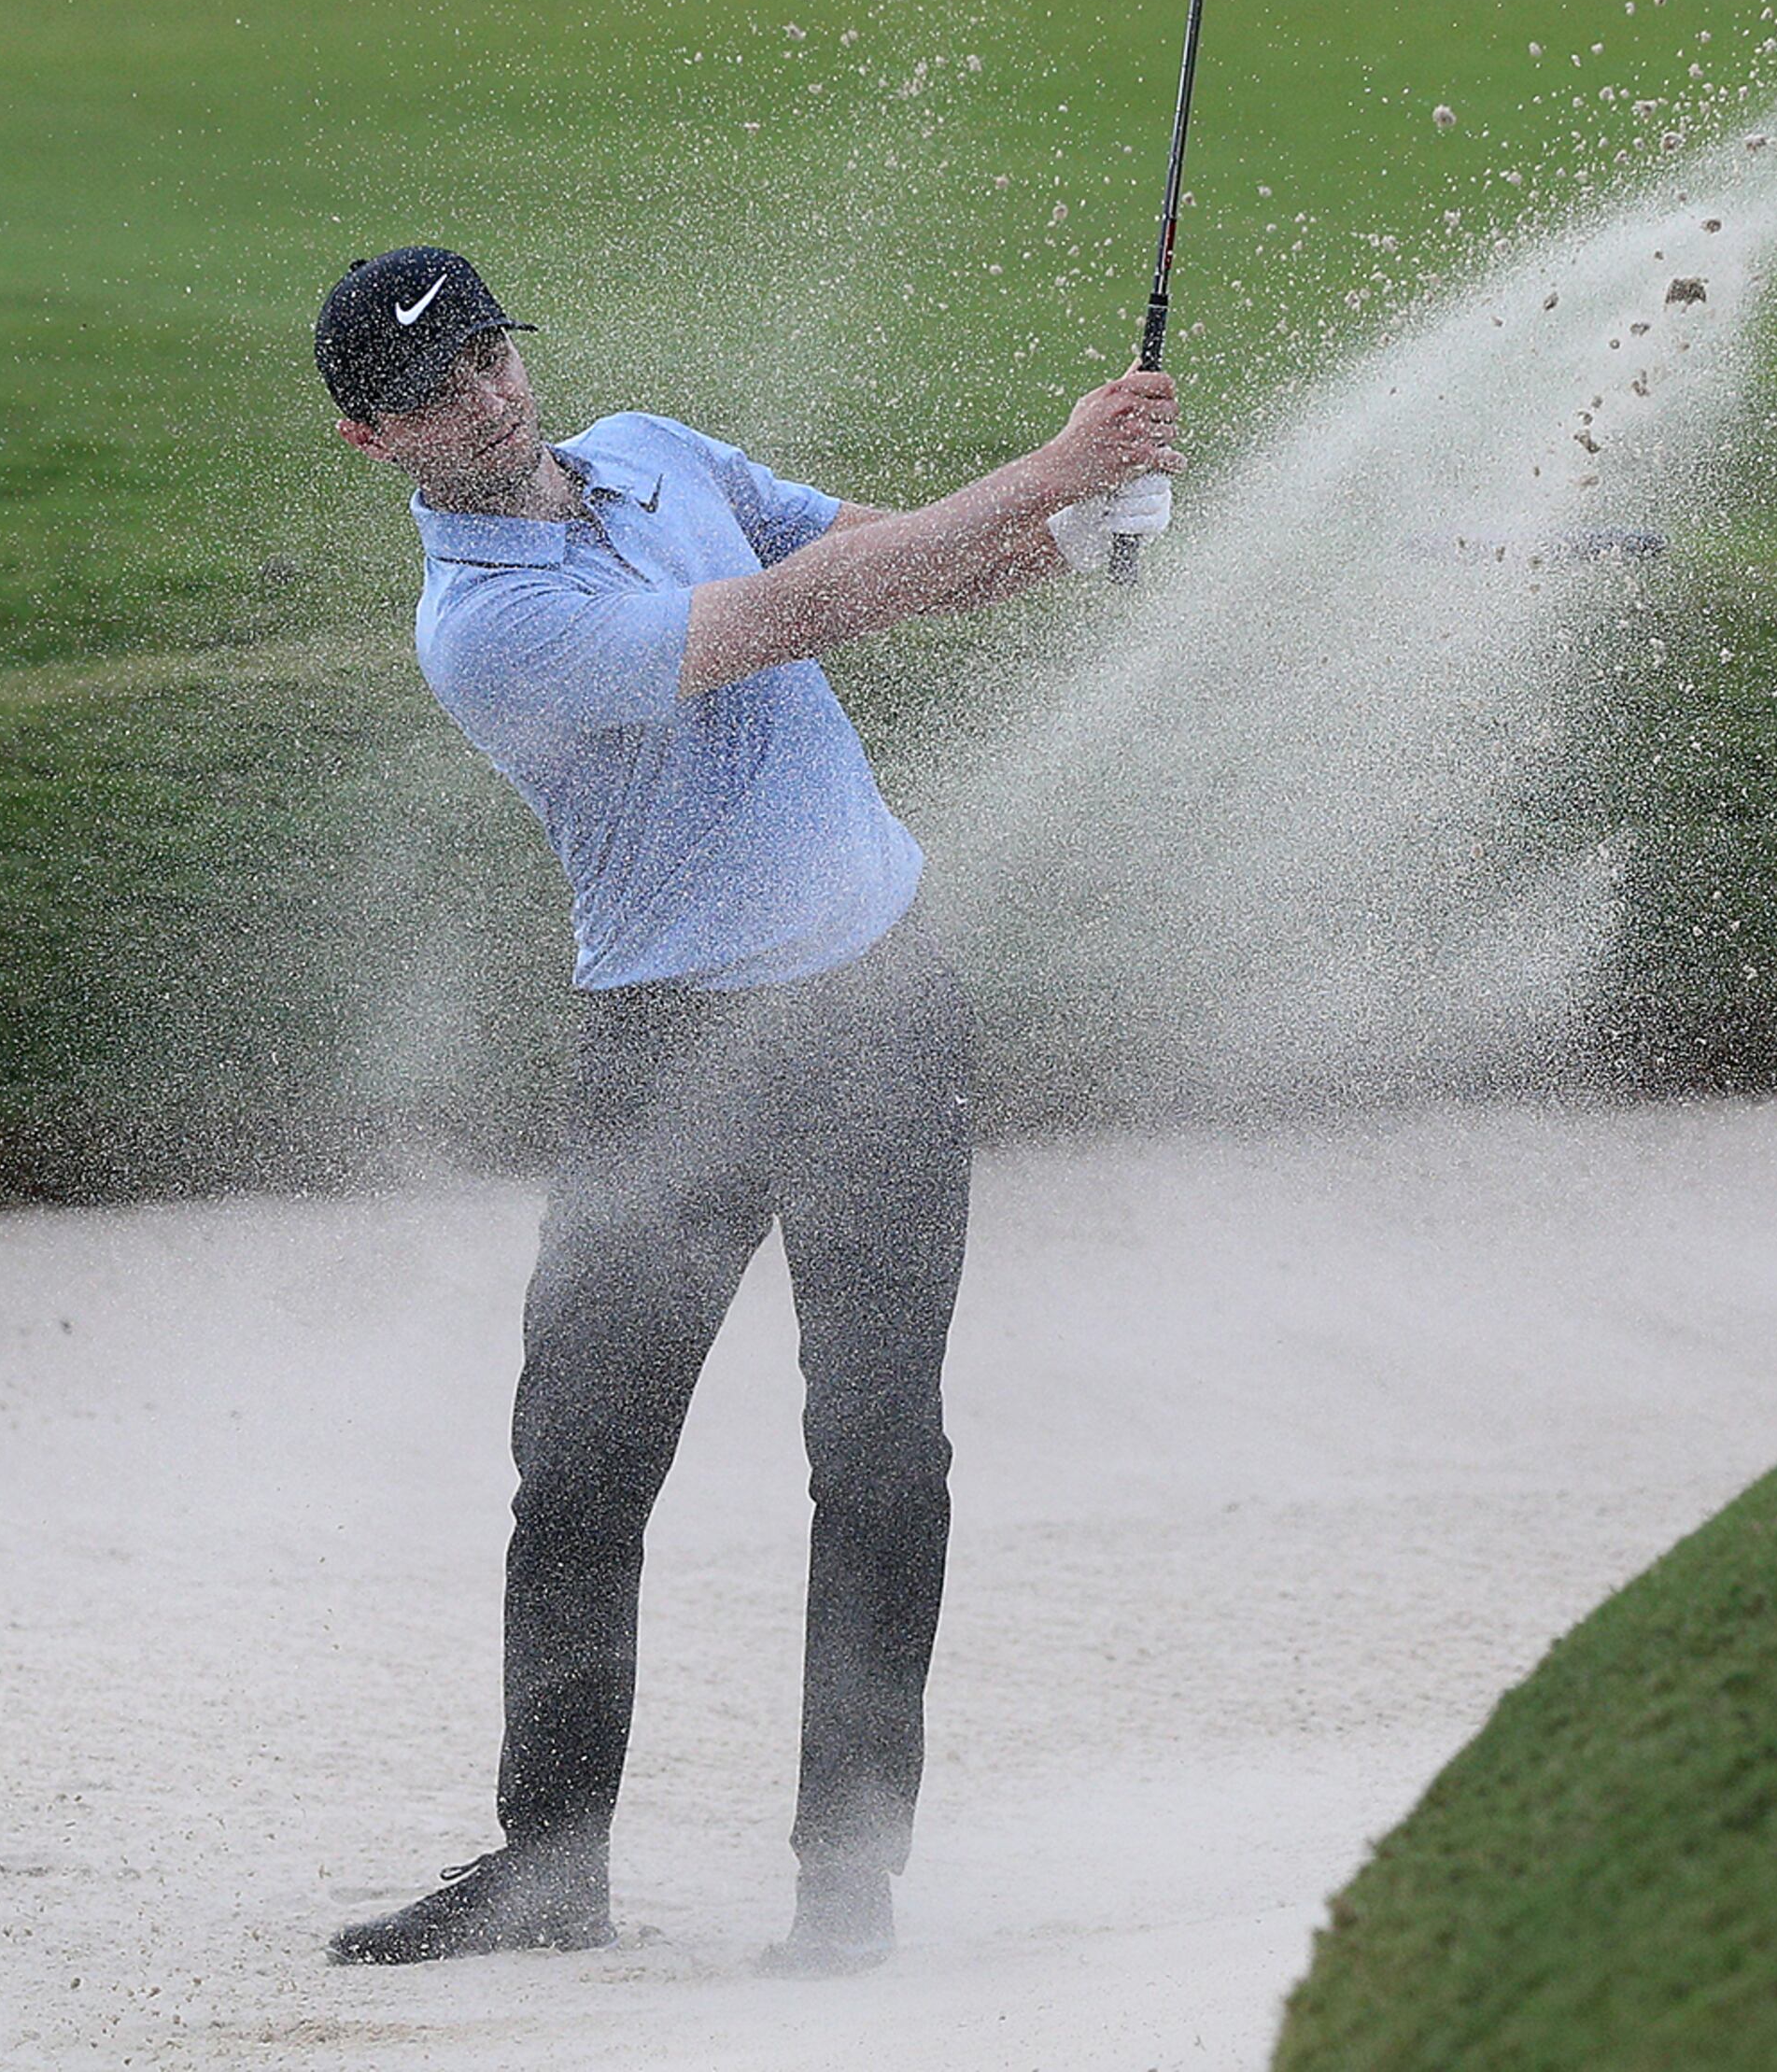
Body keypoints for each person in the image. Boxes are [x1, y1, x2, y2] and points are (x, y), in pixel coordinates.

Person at [307, 245, 1178, 1970]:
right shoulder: (487, 629)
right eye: (430, 395)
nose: (479, 403)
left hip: (881, 1006)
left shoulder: (658, 453)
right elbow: (797, 619)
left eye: (486, 359)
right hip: (673, 1058)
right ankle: (547, 1865)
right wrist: (1065, 465)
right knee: (578, 1467)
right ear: (371, 439)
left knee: (878, 1454)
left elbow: (888, 562)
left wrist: (1079, 534)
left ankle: (849, 1886)